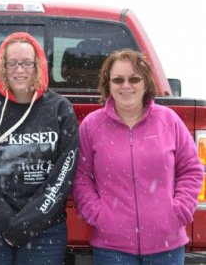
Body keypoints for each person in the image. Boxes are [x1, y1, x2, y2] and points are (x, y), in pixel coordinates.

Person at [73, 49, 204, 265]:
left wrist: (178, 211)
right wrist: (98, 215)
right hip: (111, 248)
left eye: (134, 78)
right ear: (108, 84)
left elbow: (191, 169)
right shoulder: (92, 125)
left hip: (167, 246)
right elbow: (80, 177)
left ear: (146, 83)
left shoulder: (168, 120)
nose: (126, 86)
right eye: (118, 80)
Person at [0, 32, 79, 265]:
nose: (19, 70)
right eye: (12, 63)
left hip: (45, 228)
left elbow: (64, 172)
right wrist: (6, 221)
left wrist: (30, 220)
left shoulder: (59, 109)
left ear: (39, 65)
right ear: (2, 66)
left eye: (26, 63)